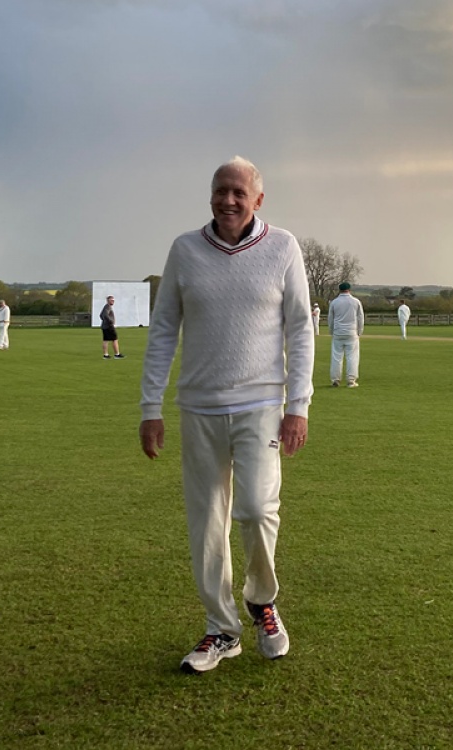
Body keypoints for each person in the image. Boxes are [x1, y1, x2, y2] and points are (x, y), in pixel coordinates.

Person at [139, 156, 314, 674]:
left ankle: (262, 601)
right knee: (207, 522)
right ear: (210, 195)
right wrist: (151, 407)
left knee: (258, 509)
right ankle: (221, 629)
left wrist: (297, 406)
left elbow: (300, 329)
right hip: (199, 407)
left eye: (240, 192)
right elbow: (163, 329)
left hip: (262, 407)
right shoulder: (185, 250)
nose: (229, 200)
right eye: (221, 190)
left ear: (258, 199)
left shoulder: (282, 247)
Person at [328, 281, 364, 387]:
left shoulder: (334, 302)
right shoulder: (355, 301)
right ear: (349, 289)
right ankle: (351, 380)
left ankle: (335, 379)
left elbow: (331, 319)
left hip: (338, 332)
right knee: (352, 356)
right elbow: (360, 318)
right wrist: (359, 332)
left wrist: (331, 331)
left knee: (336, 357)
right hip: (352, 332)